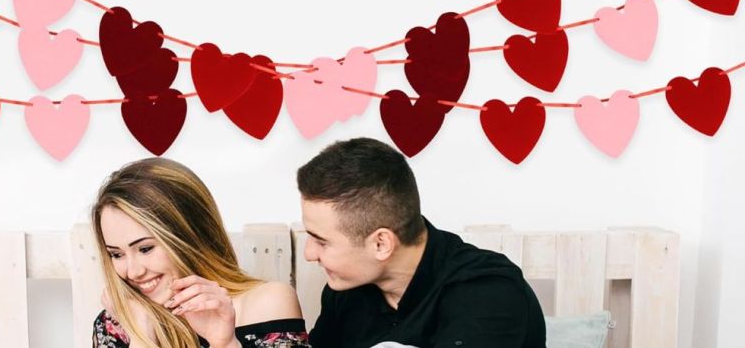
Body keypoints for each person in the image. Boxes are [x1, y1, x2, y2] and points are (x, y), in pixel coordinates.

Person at [297, 137, 546, 347]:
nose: (309, 253)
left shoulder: (489, 293)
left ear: (381, 244)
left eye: (322, 241)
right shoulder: (346, 290)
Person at [92, 157, 310, 348]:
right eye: (116, 254)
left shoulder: (268, 303)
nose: (133, 272)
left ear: (191, 235)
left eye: (145, 249)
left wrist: (225, 344)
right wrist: (140, 337)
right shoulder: (118, 323)